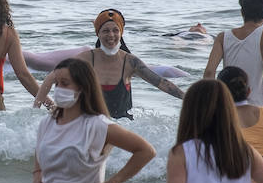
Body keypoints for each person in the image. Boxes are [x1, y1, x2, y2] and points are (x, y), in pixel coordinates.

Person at [32, 9, 185, 118]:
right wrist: (39, 109)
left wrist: (188, 99)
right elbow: (52, 77)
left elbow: (160, 82)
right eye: (105, 31)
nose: (111, 35)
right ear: (98, 33)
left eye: (115, 30)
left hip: (123, 126)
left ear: (121, 33)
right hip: (91, 125)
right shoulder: (86, 59)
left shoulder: (130, 62)